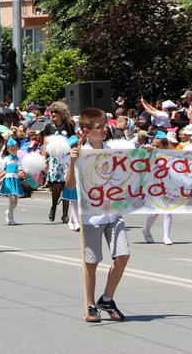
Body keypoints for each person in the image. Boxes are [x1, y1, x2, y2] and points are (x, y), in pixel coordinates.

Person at [66, 108, 129, 322]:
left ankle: (107, 298)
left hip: (113, 213)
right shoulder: (80, 154)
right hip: (91, 217)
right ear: (86, 131)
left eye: (105, 126)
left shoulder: (113, 151)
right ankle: (90, 304)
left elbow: (132, 172)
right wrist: (73, 162)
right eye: (99, 127)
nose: (104, 130)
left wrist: (146, 153)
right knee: (91, 263)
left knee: (122, 256)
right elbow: (70, 185)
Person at [0, 137, 26, 226]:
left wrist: (23, 172)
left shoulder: (19, 159)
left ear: (17, 148)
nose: (13, 151)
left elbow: (23, 169)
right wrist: (0, 175)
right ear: (8, 150)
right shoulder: (6, 159)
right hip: (8, 180)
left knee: (16, 201)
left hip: (16, 180)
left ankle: (8, 212)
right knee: (11, 200)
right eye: (11, 149)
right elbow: (0, 168)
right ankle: (11, 219)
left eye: (15, 149)